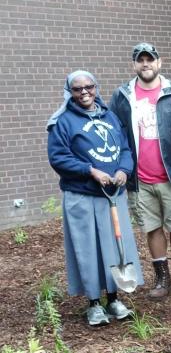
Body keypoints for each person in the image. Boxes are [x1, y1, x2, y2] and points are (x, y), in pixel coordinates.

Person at [47, 70, 143, 326]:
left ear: (96, 87)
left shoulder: (109, 116)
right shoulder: (63, 121)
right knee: (88, 249)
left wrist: (123, 170)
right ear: (70, 91)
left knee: (114, 247)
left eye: (89, 87)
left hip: (112, 195)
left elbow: (124, 148)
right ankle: (93, 303)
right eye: (78, 89)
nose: (84, 92)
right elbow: (58, 157)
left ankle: (113, 299)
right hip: (82, 195)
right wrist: (90, 171)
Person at [108, 42, 171, 300]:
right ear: (134, 65)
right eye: (141, 60)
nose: (146, 64)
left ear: (159, 62)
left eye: (150, 59)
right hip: (139, 178)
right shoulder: (122, 95)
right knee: (152, 229)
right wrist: (122, 169)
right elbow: (113, 133)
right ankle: (163, 277)